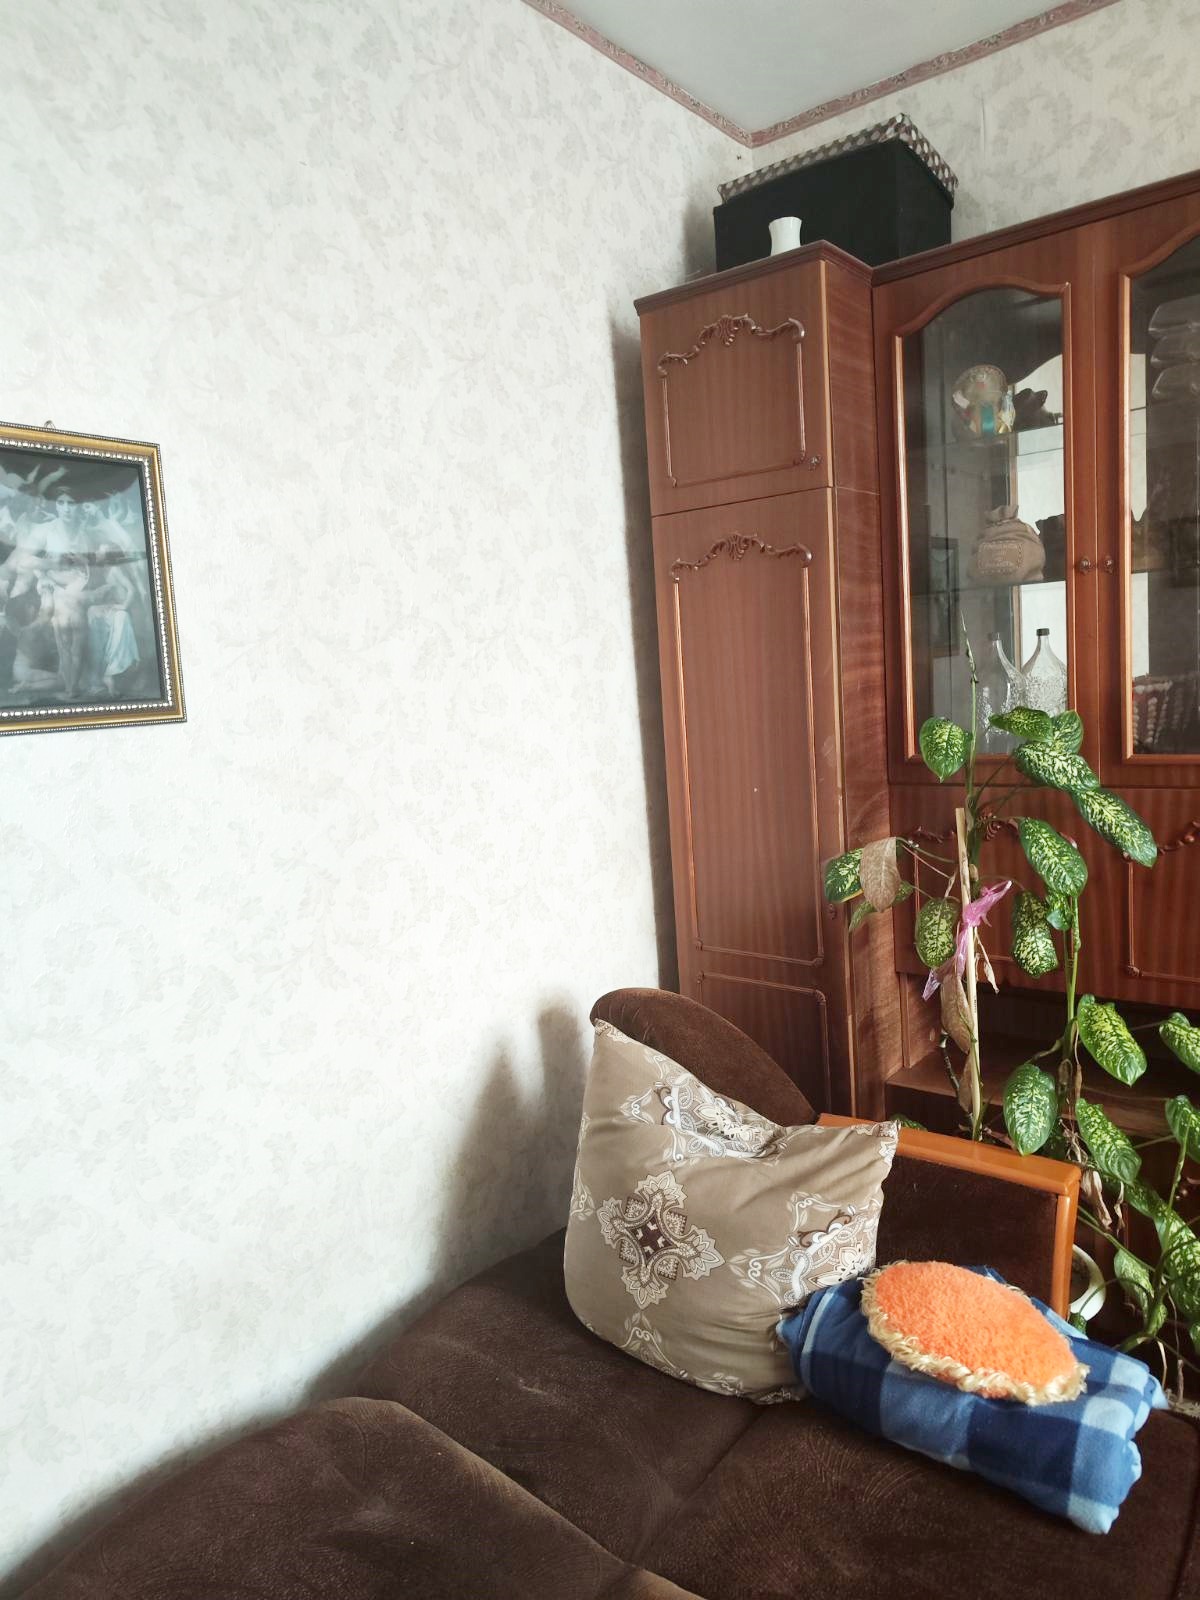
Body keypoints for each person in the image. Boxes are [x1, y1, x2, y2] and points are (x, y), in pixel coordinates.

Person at [85, 544, 140, 696]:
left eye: (100, 550)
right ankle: (100, 680)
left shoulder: (115, 570)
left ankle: (108, 675)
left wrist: (124, 606)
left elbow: (132, 589)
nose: (96, 551)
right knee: (93, 614)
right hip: (112, 609)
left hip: (120, 612)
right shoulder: (105, 569)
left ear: (108, 556)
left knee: (118, 619)